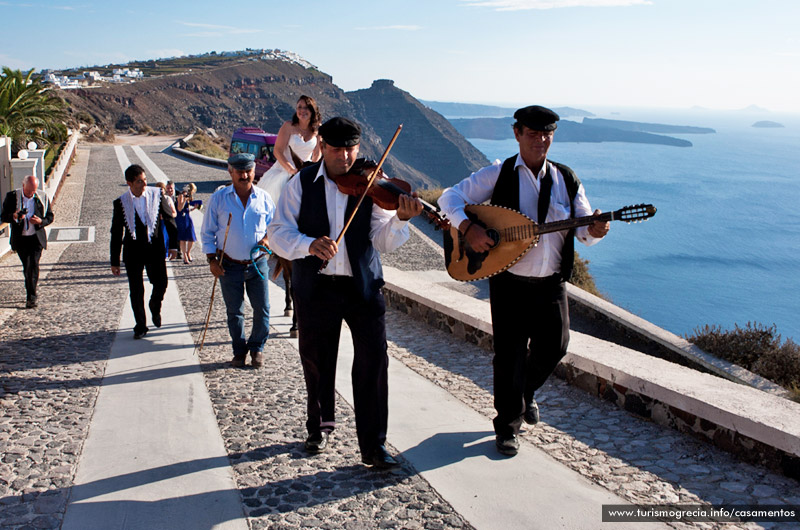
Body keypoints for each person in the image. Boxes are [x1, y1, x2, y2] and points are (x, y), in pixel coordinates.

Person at [438, 105, 610, 457]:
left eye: (547, 134)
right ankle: (507, 427)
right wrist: (468, 227)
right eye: (532, 134)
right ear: (517, 134)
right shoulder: (498, 174)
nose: (540, 140)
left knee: (555, 346)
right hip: (510, 282)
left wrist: (596, 229)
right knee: (509, 356)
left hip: (551, 284)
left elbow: (584, 232)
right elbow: (448, 198)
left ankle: (523, 394)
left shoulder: (566, 179)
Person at [268, 117, 424, 468]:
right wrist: (309, 245)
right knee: (316, 360)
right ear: (322, 146)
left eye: (351, 149)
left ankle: (374, 446)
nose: (345, 157)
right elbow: (277, 233)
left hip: (362, 286)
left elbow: (381, 241)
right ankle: (318, 426)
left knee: (373, 363)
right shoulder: (301, 183)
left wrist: (400, 219)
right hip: (317, 285)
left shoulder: (371, 184)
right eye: (337, 149)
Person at [201, 153, 275, 368]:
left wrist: (268, 238)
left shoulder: (264, 198)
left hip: (258, 263)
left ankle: (257, 348)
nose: (245, 176)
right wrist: (211, 260)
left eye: (248, 171)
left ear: (254, 171)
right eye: (240, 172)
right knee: (234, 311)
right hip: (229, 264)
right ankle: (239, 350)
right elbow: (207, 232)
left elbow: (275, 226)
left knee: (262, 309)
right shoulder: (219, 198)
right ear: (230, 172)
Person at [110, 165, 178, 339]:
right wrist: (115, 261)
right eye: (140, 181)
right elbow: (116, 233)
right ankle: (140, 325)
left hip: (155, 249)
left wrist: (173, 245)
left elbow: (169, 219)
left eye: (145, 180)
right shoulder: (120, 203)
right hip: (133, 252)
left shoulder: (157, 194)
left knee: (161, 282)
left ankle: (155, 306)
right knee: (136, 289)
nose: (144, 184)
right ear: (130, 183)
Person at [1, 175, 54, 308]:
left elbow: (50, 217)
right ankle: (30, 291)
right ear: (23, 186)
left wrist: (40, 221)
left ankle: (31, 297)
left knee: (33, 265)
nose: (31, 194)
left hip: (36, 239)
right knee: (27, 266)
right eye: (29, 191)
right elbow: (3, 216)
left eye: (33, 191)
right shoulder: (12, 197)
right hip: (21, 239)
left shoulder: (41, 197)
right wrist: (14, 216)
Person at [256, 95, 322, 204]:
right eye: (299, 107)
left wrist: (311, 170)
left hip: (304, 171)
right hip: (284, 170)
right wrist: (291, 170)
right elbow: (278, 151)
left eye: (306, 108)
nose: (302, 111)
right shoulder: (288, 126)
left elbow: (316, 156)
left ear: (312, 110)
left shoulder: (316, 131)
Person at [176, 182, 200, 263]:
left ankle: (188, 252)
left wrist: (194, 208)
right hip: (181, 218)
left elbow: (186, 209)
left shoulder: (188, 196)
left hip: (187, 217)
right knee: (183, 238)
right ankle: (185, 256)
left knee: (191, 236)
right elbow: (179, 208)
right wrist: (184, 200)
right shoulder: (181, 195)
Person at [164, 180, 180, 260]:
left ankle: (178, 251)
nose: (170, 190)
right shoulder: (164, 197)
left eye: (171, 188)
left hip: (178, 218)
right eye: (168, 188)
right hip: (168, 220)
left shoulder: (179, 194)